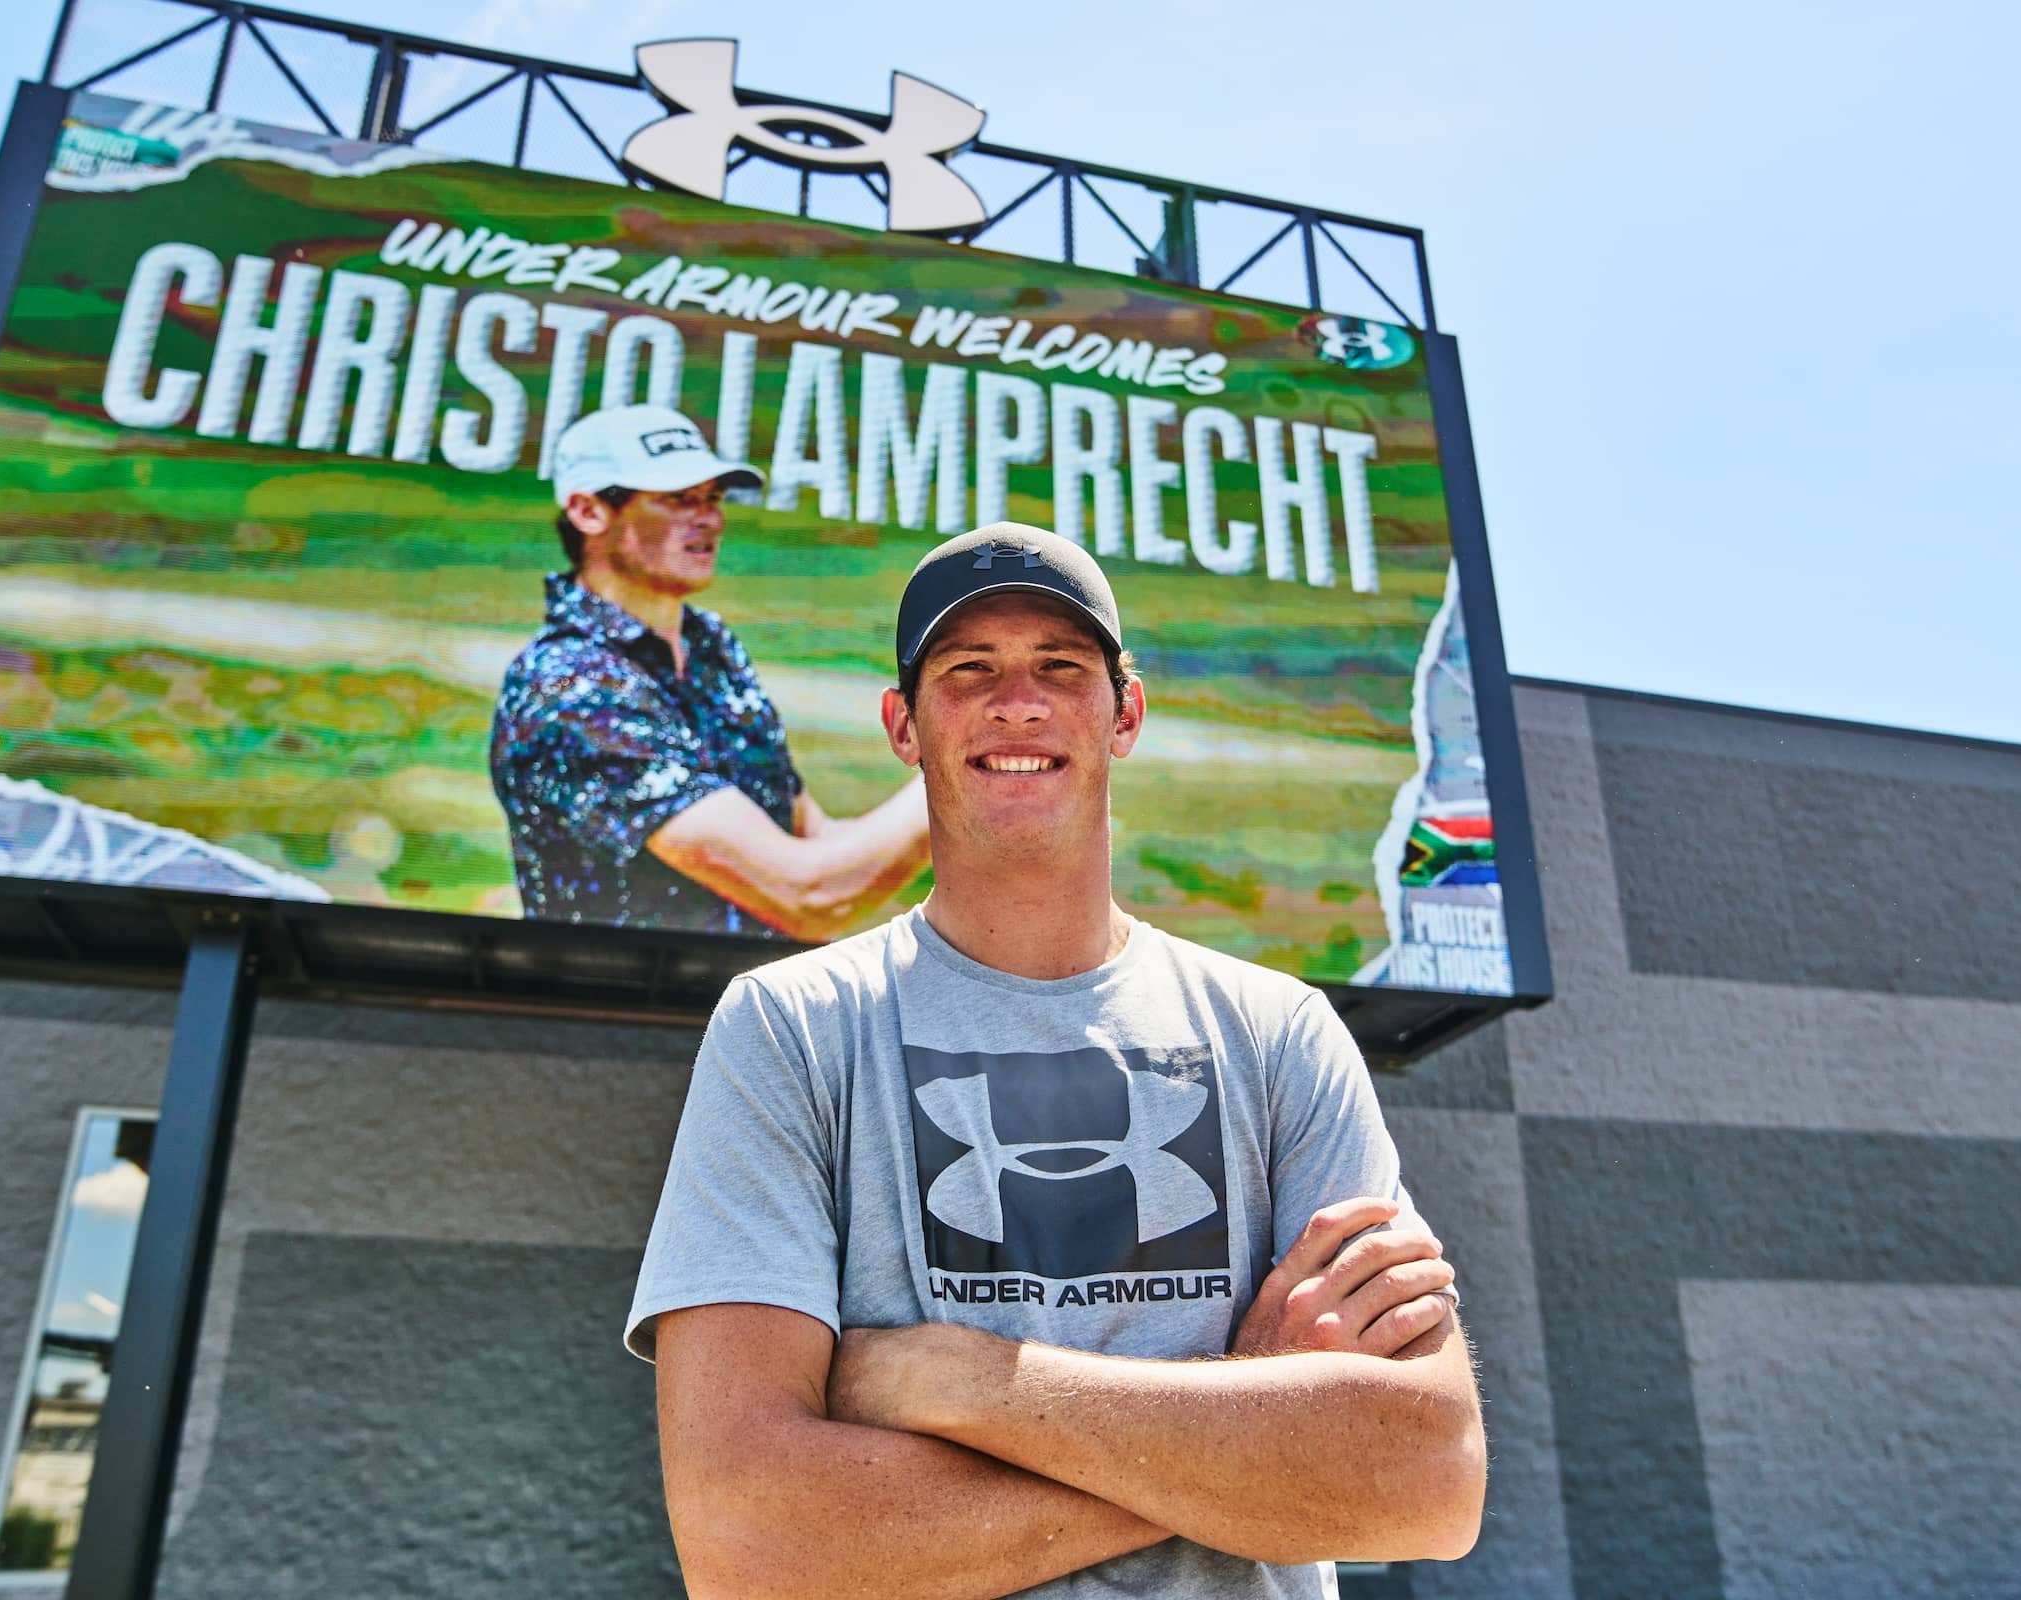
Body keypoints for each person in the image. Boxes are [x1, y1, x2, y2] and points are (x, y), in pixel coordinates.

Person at [626, 522, 1485, 1598]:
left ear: (1124, 711)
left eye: (1061, 667)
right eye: (968, 669)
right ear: (903, 724)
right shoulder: (793, 1027)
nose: (1017, 700)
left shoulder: (1279, 1033)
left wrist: (966, 1383)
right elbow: (747, 1546)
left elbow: (1426, 1482)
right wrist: (1252, 1412)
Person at [489, 403, 930, 939]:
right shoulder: (568, 686)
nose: (710, 518)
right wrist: (965, 770)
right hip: (627, 1014)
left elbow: (812, 843)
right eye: (678, 500)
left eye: (712, 498)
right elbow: (806, 895)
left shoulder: (710, 645)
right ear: (587, 511)